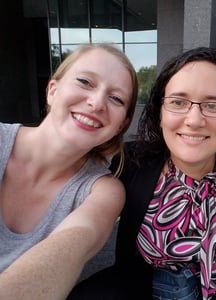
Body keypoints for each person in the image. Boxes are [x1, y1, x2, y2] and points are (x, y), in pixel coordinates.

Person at [69, 46, 216, 299]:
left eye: (212, 105)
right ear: (160, 113)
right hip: (149, 288)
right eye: (178, 102)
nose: (194, 120)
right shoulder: (131, 163)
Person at [0, 43, 138, 299]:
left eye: (116, 98)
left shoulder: (103, 190)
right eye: (85, 81)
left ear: (122, 125)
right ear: (53, 90)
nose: (96, 103)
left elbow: (79, 239)